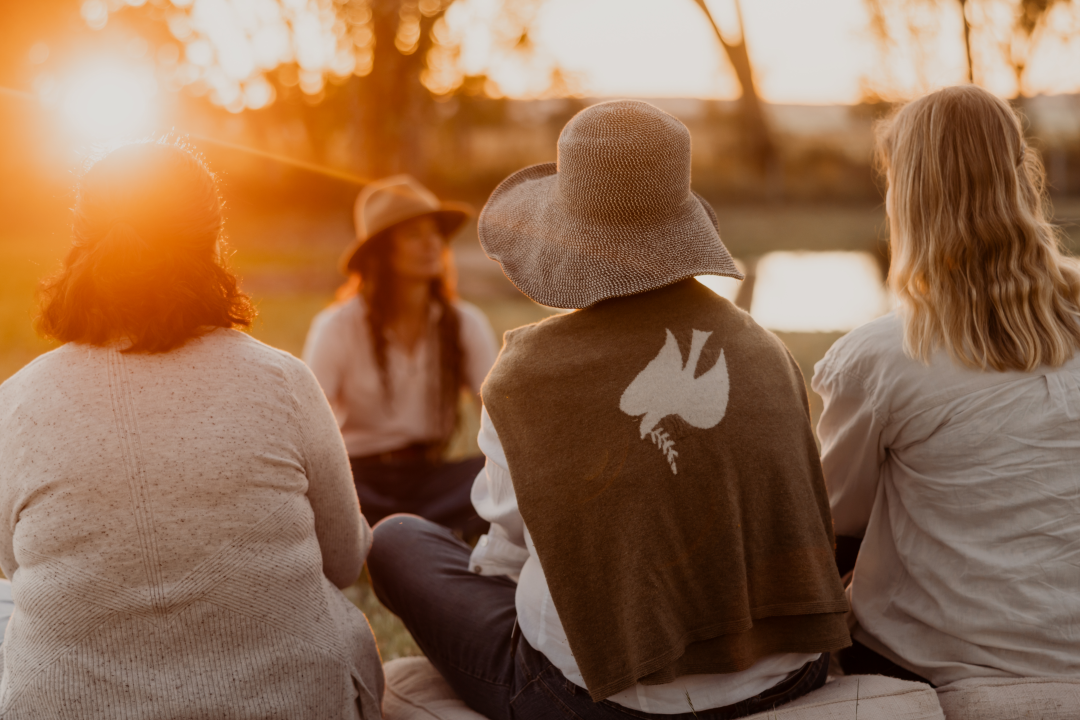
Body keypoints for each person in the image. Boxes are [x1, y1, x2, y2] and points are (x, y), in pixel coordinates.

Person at [366, 100, 851, 720]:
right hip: (787, 676)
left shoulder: (523, 377)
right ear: (681, 219)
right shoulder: (767, 351)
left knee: (398, 540)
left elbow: (510, 545)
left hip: (594, 699)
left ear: (564, 234)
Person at [0, 141, 382, 719]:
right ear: (212, 242)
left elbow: (15, 562)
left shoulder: (16, 402)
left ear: (81, 240)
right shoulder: (283, 380)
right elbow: (345, 560)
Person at [812, 85, 1080, 687]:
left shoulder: (882, 355)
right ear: (1020, 177)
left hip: (932, 660)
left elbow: (827, 520)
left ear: (906, 195)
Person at [303, 176, 498, 537]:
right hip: (360, 481)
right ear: (381, 254)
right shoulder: (336, 326)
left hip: (433, 478)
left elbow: (499, 416)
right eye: (413, 235)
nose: (432, 244)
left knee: (502, 476)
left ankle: (398, 530)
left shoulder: (465, 323)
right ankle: (418, 530)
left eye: (435, 233)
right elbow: (306, 428)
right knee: (313, 493)